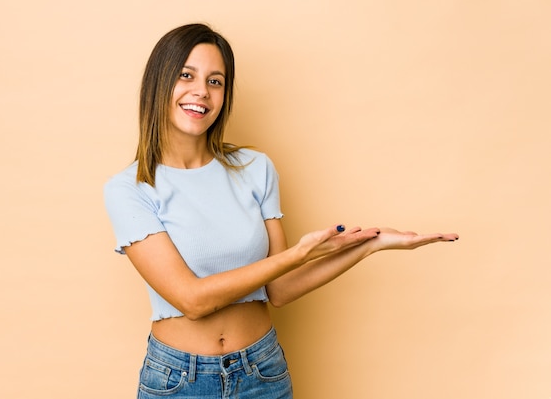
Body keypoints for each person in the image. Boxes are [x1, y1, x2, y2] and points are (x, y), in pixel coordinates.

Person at [104, 23, 458, 399]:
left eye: (216, 81)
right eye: (186, 75)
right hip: (179, 380)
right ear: (159, 83)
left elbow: (280, 289)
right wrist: (298, 254)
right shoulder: (130, 189)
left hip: (262, 371)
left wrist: (371, 245)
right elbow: (192, 300)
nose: (201, 92)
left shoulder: (255, 168)